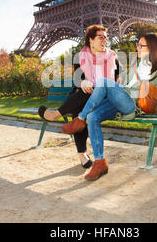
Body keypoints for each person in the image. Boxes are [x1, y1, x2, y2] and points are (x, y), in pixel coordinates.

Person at [60, 33, 157, 181]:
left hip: (132, 104)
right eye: (137, 45)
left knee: (103, 82)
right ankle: (100, 162)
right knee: (93, 116)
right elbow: (127, 85)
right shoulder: (139, 63)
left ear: (152, 47)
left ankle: (79, 119)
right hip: (122, 98)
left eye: (141, 45)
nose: (137, 48)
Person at [38, 25, 122, 169]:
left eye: (106, 37)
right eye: (101, 37)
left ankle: (55, 114)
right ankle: (82, 155)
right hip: (85, 96)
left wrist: (104, 87)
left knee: (85, 96)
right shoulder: (82, 57)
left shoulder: (113, 58)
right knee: (82, 99)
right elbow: (79, 78)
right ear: (91, 40)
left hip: (105, 98)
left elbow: (118, 81)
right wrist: (83, 82)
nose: (105, 40)